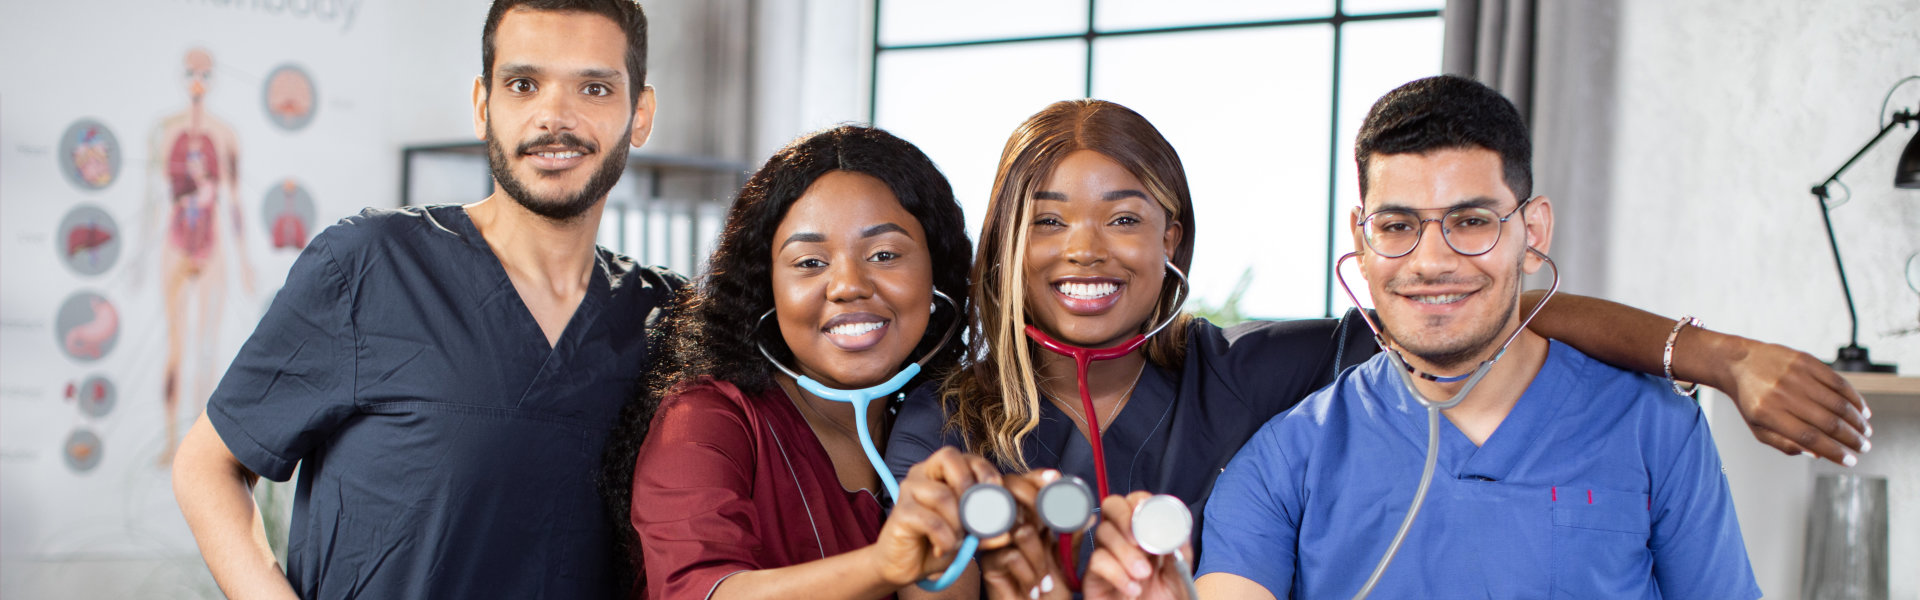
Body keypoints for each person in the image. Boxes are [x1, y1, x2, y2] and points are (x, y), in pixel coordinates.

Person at [885, 99, 1867, 599]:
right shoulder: (942, 416)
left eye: (1126, 217)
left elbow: (1484, 310)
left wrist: (1723, 360)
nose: (1085, 250)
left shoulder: (1245, 377)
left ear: (1173, 238)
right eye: (1047, 219)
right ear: (1005, 240)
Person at [1093, 75, 1760, 599]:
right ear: (1361, 238)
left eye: (1470, 221)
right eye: (1397, 225)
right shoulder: (1282, 462)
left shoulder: (1657, 432)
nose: (1431, 260)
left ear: (1533, 234)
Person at [171, 1, 675, 597]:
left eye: (593, 87)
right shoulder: (370, 265)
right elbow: (209, 464)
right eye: (523, 84)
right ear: (483, 105)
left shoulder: (667, 322)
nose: (554, 116)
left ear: (639, 114)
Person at [616, 125, 1013, 600]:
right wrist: (885, 564)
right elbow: (699, 590)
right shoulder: (706, 420)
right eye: (809, 263)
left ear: (937, 276)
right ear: (767, 288)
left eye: (884, 254)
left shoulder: (946, 431)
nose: (848, 285)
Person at [150, 47, 256, 465]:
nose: (197, 79)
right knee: (175, 346)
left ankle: (197, 452)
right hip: (176, 241)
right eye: (191, 71)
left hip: (211, 243)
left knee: (207, 347)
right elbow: (154, 197)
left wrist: (245, 260)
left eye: (204, 73)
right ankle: (168, 442)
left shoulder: (224, 133)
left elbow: (233, 199)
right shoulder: (166, 131)